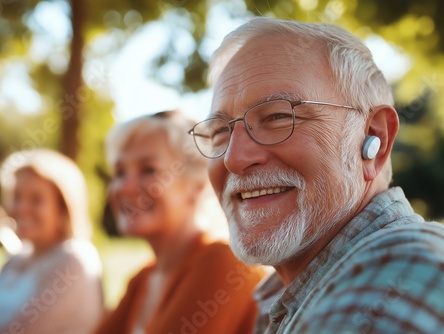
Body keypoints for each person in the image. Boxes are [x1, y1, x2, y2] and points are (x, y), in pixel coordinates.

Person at [188, 17, 444, 333]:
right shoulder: (294, 293)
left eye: (279, 116)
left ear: (373, 138)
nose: (234, 159)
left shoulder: (398, 275)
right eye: (218, 131)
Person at [95, 111, 265, 334]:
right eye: (119, 172)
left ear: (198, 184)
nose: (125, 187)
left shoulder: (225, 265)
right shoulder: (143, 278)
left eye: (148, 170)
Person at [0, 149, 103, 333]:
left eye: (36, 199)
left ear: (63, 207)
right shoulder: (17, 258)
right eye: (16, 197)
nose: (21, 208)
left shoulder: (75, 259)